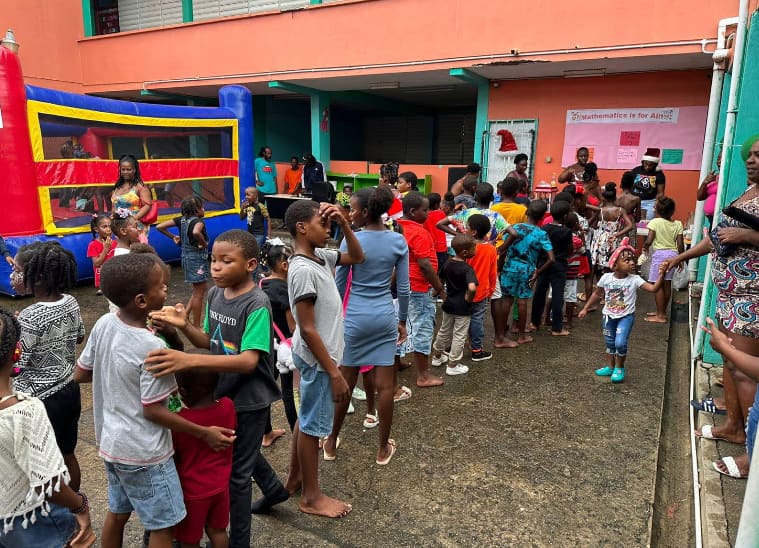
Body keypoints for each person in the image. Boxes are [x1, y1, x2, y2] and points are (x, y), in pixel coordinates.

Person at [75, 253, 234, 548]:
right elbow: (153, 411)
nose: (166, 291)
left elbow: (82, 372)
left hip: (112, 444)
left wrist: (118, 379)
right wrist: (204, 433)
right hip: (145, 453)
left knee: (118, 512)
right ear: (141, 301)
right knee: (165, 523)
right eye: (161, 287)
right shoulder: (150, 346)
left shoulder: (105, 323)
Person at [144, 230, 288, 544]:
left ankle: (239, 542)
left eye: (226, 261)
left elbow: (249, 361)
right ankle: (276, 489)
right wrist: (183, 327)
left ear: (250, 264)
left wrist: (187, 361)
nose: (216, 268)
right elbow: (210, 344)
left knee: (237, 477)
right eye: (213, 260)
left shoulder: (257, 303)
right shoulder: (214, 295)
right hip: (223, 391)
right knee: (238, 450)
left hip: (250, 399)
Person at [661, 134, 759, 479]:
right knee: (731, 365)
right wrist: (681, 257)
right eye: (751, 155)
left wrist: (748, 237)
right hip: (731, 292)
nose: (751, 161)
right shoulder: (748, 193)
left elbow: (739, 236)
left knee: (746, 369)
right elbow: (717, 236)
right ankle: (734, 425)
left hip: (752, 296)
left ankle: (753, 451)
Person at [281, 199, 364, 518]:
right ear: (302, 228)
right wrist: (334, 372)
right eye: (322, 223)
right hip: (318, 361)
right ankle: (311, 498)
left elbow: (357, 256)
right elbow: (308, 328)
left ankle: (294, 480)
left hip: (320, 358)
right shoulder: (301, 269)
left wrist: (345, 224)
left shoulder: (321, 257)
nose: (327, 227)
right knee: (315, 427)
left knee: (308, 421)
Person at [324, 185, 409, 465]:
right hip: (384, 315)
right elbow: (404, 289)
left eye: (353, 210)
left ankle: (332, 441)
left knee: (344, 382)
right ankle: (383, 448)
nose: (350, 214)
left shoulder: (352, 240)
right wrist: (401, 320)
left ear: (364, 212)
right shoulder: (398, 241)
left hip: (355, 317)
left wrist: (338, 318)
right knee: (386, 386)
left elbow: (339, 282)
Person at [0, 308, 94, 548]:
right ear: (16, 353)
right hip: (32, 524)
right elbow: (48, 484)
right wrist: (79, 505)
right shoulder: (24, 411)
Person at [12, 242, 84, 495]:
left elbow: (16, 367)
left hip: (40, 401)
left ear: (38, 277)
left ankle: (50, 511)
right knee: (67, 453)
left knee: (42, 461)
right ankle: (76, 505)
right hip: (69, 389)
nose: (13, 276)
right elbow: (79, 338)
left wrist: (16, 332)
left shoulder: (30, 316)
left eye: (18, 270)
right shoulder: (71, 301)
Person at [578, 239, 666, 383]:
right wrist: (586, 308)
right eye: (626, 260)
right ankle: (609, 366)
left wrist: (661, 275)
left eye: (632, 259)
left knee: (620, 343)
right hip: (608, 316)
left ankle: (619, 367)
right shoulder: (606, 278)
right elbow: (597, 294)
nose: (632, 262)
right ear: (615, 265)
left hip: (626, 316)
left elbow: (653, 289)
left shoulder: (635, 279)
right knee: (609, 342)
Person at [172, 369, 236, 548]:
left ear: (183, 392)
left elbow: (174, 452)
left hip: (192, 492)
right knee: (218, 531)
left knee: (190, 539)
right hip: (220, 485)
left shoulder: (181, 421)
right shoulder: (228, 406)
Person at [398, 191, 446, 388]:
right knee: (423, 328)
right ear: (413, 211)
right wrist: (439, 288)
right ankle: (423, 375)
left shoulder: (398, 228)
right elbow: (425, 265)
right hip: (418, 286)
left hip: (403, 287)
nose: (428, 213)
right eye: (425, 210)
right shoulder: (418, 232)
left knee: (401, 324)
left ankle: (398, 362)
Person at [259, 239, 298, 439]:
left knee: (266, 388)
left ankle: (266, 434)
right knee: (289, 393)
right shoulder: (284, 290)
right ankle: (300, 436)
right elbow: (293, 327)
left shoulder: (261, 284)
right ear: (284, 265)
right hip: (285, 349)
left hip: (267, 346)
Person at [155, 196, 210, 328]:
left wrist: (173, 237)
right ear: (197, 209)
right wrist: (204, 243)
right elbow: (197, 232)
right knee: (199, 293)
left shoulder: (181, 220)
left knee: (197, 290)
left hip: (185, 257)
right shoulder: (198, 221)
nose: (204, 209)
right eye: (202, 207)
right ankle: (196, 326)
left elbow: (159, 227)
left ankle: (186, 314)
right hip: (197, 258)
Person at [431, 234, 478, 376]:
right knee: (459, 335)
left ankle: (437, 357)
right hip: (462, 308)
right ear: (465, 252)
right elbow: (472, 288)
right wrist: (469, 299)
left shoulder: (447, 263)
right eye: (473, 248)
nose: (475, 250)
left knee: (444, 330)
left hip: (449, 305)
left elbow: (439, 281)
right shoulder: (467, 269)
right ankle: (453, 364)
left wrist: (440, 295)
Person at [530, 200, 573, 336]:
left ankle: (534, 322)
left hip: (543, 264)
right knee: (557, 295)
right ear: (565, 216)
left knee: (539, 293)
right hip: (559, 265)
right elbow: (570, 249)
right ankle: (557, 327)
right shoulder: (566, 231)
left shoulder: (544, 228)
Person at [643, 197, 683, 323]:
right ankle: (662, 311)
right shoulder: (678, 224)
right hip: (673, 255)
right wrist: (680, 259)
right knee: (667, 284)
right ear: (673, 211)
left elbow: (649, 240)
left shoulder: (655, 222)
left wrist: (645, 248)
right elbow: (680, 245)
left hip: (660, 255)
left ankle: (660, 316)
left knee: (657, 285)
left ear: (657, 210)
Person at [439, 184, 516, 246]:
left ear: (475, 197)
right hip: (488, 255)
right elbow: (514, 233)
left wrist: (458, 234)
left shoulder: (466, 213)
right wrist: (500, 250)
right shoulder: (497, 216)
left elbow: (440, 224)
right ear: (492, 198)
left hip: (469, 254)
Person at [465, 214, 497, 361]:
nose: (465, 229)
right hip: (482, 291)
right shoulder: (491, 249)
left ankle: (454, 347)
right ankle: (477, 350)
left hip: (464, 290)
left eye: (467, 227)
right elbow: (493, 273)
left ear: (474, 232)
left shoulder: (465, 248)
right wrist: (490, 291)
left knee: (460, 319)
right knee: (477, 319)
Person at [590, 183, 634, 276]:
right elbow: (630, 225)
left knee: (599, 264)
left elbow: (593, 225)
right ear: (615, 198)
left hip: (600, 238)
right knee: (612, 263)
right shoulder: (620, 210)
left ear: (604, 198)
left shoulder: (600, 210)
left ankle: (600, 284)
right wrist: (617, 234)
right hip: (614, 239)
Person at [111, 155, 153, 241]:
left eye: (128, 169)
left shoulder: (140, 187)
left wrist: (134, 218)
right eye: (123, 169)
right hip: (120, 227)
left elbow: (147, 205)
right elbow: (114, 206)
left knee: (136, 252)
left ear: (134, 170)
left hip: (135, 227)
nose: (125, 172)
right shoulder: (117, 187)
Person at [631, 148, 667, 220]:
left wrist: (656, 204)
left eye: (650, 165)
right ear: (643, 162)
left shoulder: (659, 174)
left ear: (655, 165)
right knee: (632, 222)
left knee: (646, 224)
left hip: (649, 203)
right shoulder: (636, 170)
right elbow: (629, 185)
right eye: (646, 164)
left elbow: (660, 193)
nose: (647, 167)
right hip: (634, 201)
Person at [87, 213, 114, 295]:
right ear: (96, 229)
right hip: (102, 278)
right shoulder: (93, 245)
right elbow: (96, 263)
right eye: (104, 227)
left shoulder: (116, 242)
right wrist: (105, 249)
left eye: (110, 226)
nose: (108, 229)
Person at [240, 186, 271, 253]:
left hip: (259, 234)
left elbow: (268, 219)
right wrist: (242, 209)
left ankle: (258, 263)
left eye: (248, 195)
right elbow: (242, 218)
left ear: (255, 196)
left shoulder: (261, 206)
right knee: (249, 251)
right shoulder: (247, 206)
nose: (246, 197)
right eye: (245, 195)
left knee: (256, 251)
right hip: (250, 233)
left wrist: (268, 235)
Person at [424, 193, 449, 274]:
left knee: (432, 269)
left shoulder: (424, 215)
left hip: (430, 247)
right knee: (441, 271)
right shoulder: (441, 213)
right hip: (441, 247)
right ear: (436, 205)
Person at [617, 171, 642, 242]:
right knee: (630, 247)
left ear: (621, 184)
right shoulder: (636, 199)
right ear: (632, 184)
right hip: (630, 223)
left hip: (618, 223)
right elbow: (638, 218)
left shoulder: (616, 198)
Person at [697, 154, 721, 226]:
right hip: (711, 218)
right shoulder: (713, 177)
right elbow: (699, 197)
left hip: (720, 219)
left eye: (721, 158)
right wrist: (705, 182)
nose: (719, 161)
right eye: (718, 159)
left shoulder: (727, 178)